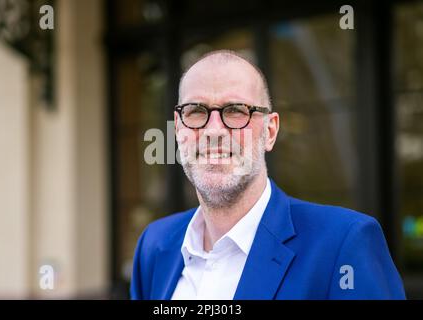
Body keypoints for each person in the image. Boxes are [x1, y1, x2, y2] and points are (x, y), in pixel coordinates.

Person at [130, 50, 406, 300]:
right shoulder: (155, 246)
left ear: (270, 132)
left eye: (236, 110)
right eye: (196, 111)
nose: (213, 130)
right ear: (178, 129)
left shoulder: (343, 244)